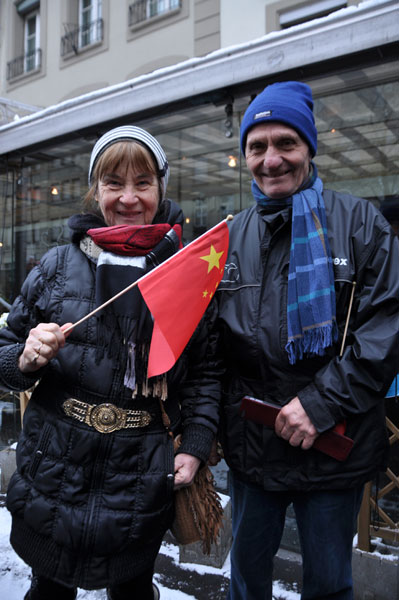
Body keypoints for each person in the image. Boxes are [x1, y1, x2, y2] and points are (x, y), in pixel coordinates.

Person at [0, 126, 221, 600]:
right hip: (55, 469)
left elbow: (205, 373)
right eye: (112, 182)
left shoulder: (185, 273)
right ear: (95, 189)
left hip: (138, 478)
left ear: (161, 188)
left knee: (133, 591)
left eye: (142, 182)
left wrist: (195, 443)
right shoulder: (58, 266)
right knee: (49, 590)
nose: (127, 198)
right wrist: (25, 358)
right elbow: (4, 350)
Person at [216, 81, 399, 600]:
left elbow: (386, 328)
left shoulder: (360, 223)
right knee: (247, 583)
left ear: (309, 149)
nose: (271, 159)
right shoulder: (229, 236)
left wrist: (317, 405)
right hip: (253, 452)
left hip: (332, 448)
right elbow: (212, 349)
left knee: (328, 586)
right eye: (257, 146)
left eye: (285, 143)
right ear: (245, 155)